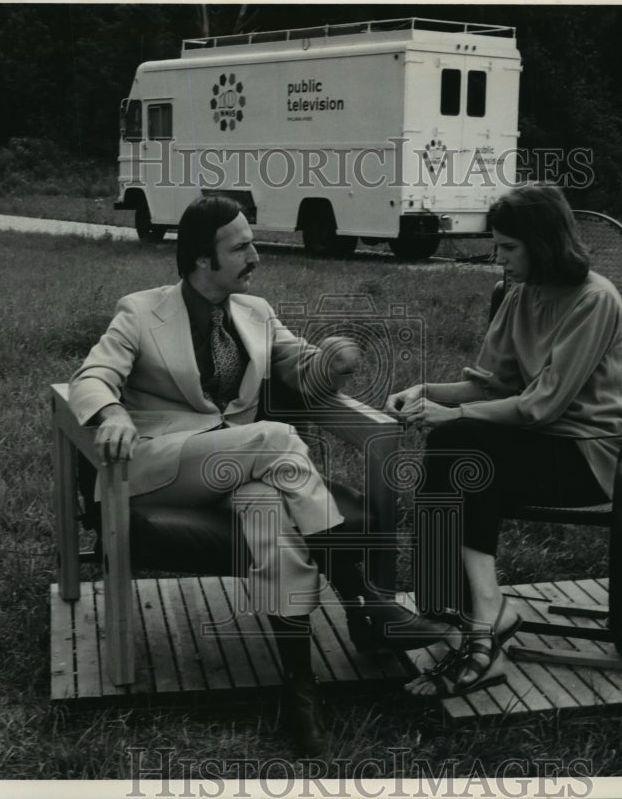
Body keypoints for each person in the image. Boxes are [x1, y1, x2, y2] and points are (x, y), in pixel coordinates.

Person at [69, 194, 444, 754]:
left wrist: (331, 360)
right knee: (276, 437)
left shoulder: (256, 312)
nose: (255, 255)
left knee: (272, 523)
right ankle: (366, 599)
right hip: (159, 466)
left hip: (239, 467)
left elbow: (300, 365)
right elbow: (92, 375)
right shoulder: (140, 311)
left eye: (251, 242)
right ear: (202, 260)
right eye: (240, 246)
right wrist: (112, 412)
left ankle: (299, 690)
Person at [386, 185, 622, 697]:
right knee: (457, 448)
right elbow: (491, 384)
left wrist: (451, 414)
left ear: (543, 244)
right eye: (498, 246)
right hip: (533, 446)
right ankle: (472, 613)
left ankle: (481, 624)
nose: (498, 257)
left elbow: (543, 404)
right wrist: (424, 391)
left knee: (459, 440)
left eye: (508, 247)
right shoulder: (521, 294)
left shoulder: (595, 300)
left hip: (591, 457)